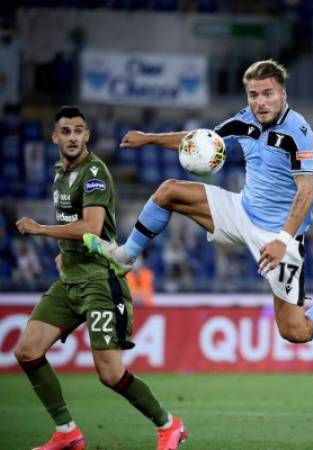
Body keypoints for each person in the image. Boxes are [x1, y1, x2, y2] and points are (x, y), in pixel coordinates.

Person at [83, 59, 313, 345]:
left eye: (267, 94)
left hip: (279, 235)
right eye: (254, 95)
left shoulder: (298, 132)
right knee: (168, 192)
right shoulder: (245, 120)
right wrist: (150, 138)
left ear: (282, 94)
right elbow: (202, 140)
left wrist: (282, 240)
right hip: (241, 211)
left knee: (295, 331)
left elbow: (307, 193)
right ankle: (125, 256)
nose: (260, 102)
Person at [14, 106, 186, 450]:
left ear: (87, 135)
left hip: (100, 280)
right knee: (27, 351)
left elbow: (92, 227)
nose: (73, 137)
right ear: (55, 137)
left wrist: (41, 229)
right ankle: (67, 432)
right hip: (71, 278)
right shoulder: (58, 172)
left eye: (79, 130)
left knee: (109, 374)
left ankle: (169, 425)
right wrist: (65, 252)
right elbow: (74, 221)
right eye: (66, 131)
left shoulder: (94, 172)